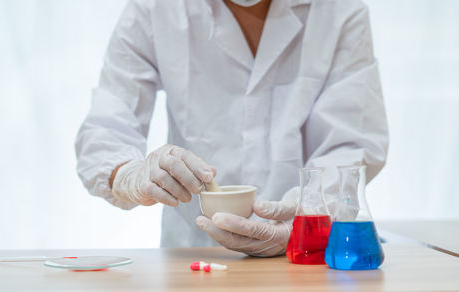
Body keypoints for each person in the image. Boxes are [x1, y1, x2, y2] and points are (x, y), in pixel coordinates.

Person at [75, 0, 388, 257]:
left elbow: (351, 144)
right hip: (193, 256)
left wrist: (301, 217)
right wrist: (128, 174)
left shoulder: (339, 11)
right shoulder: (155, 8)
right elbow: (107, 126)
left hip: (303, 254)